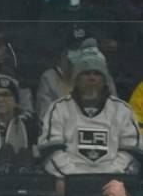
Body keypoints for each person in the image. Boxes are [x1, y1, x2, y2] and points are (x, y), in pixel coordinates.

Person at [39, 39, 140, 179]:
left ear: (105, 79)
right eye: (86, 73)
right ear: (76, 78)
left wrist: (109, 177)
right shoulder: (58, 108)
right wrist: (76, 177)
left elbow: (132, 152)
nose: (92, 77)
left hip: (113, 186)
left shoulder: (122, 110)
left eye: (97, 73)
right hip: (71, 183)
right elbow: (50, 152)